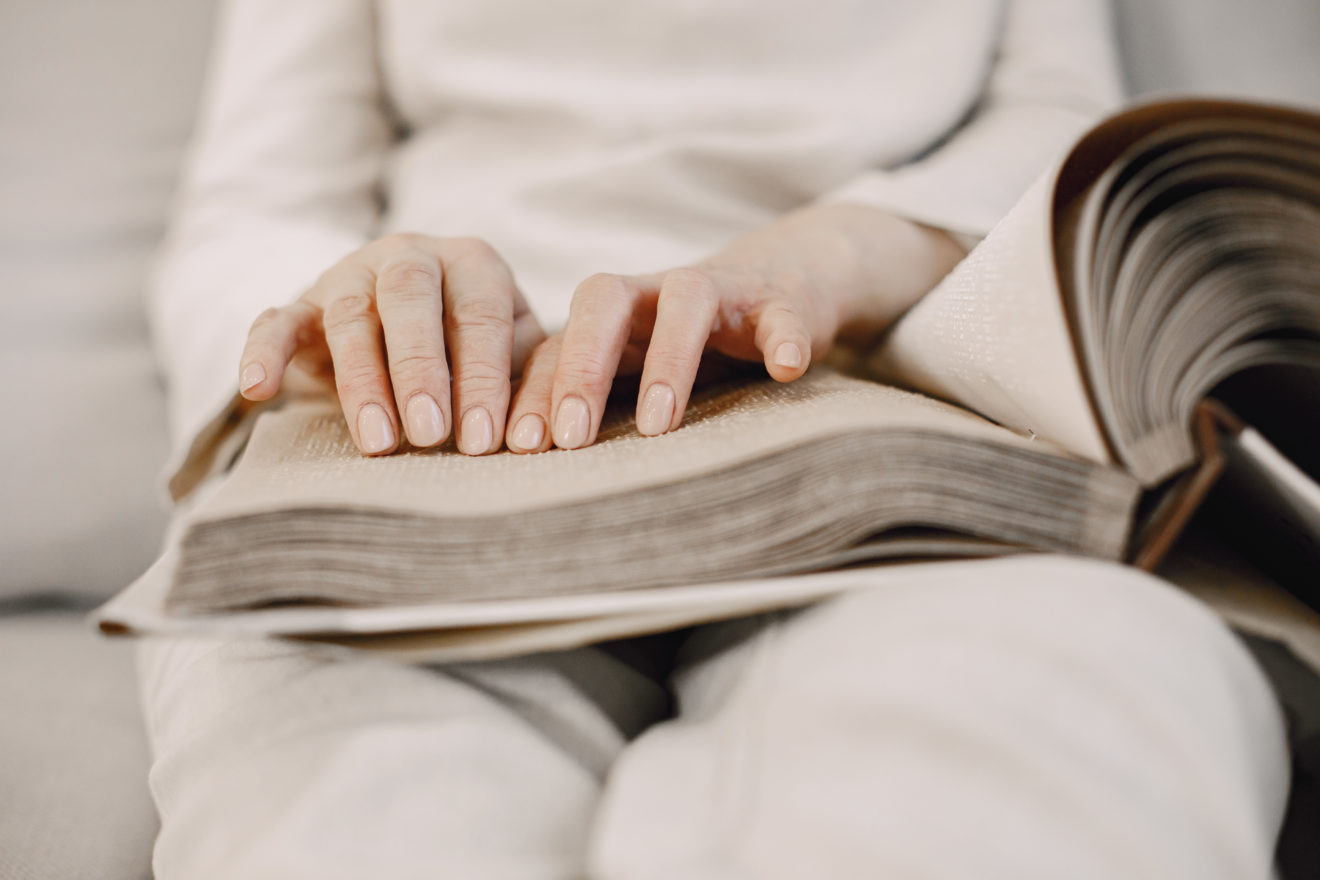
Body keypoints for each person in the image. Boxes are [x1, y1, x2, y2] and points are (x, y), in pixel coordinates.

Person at [139, 0, 1290, 877]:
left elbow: (1056, 120)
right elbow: (258, 199)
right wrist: (350, 313)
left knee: (1046, 724)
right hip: (442, 428)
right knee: (366, 807)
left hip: (880, 385)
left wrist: (847, 249)